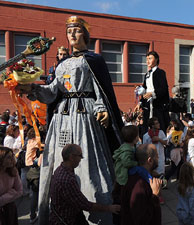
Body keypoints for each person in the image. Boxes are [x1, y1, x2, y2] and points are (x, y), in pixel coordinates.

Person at [16, 16, 123, 225]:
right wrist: (33, 89)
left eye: (76, 30)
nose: (72, 34)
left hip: (85, 117)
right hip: (63, 117)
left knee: (88, 160)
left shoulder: (94, 60)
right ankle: (59, 205)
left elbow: (101, 91)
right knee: (59, 159)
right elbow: (52, 92)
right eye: (69, 30)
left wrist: (102, 108)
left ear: (85, 33)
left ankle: (94, 208)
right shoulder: (62, 64)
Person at [49, 144, 120, 225]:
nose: (81, 159)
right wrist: (109, 208)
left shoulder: (60, 169)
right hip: (66, 221)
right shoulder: (67, 180)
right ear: (71, 157)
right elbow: (84, 204)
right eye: (80, 155)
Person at [121, 144, 162, 225]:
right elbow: (141, 220)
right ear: (150, 160)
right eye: (157, 156)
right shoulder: (139, 184)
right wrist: (154, 195)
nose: (158, 158)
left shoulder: (140, 176)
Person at [112, 125, 139, 224]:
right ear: (135, 137)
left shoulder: (126, 146)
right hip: (124, 178)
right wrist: (137, 163)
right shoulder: (128, 149)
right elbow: (126, 162)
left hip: (121, 176)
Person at [139, 51, 170, 134]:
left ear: (156, 59)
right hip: (148, 105)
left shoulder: (160, 72)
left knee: (159, 126)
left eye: (150, 58)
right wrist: (140, 102)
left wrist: (152, 94)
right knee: (147, 126)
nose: (147, 61)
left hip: (158, 105)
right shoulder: (147, 74)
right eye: (147, 59)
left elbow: (163, 89)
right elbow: (145, 88)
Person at [0, 146, 23, 225]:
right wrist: (12, 192)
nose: (12, 159)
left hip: (10, 209)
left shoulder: (13, 171)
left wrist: (2, 199)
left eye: (12, 156)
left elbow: (20, 191)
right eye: (9, 157)